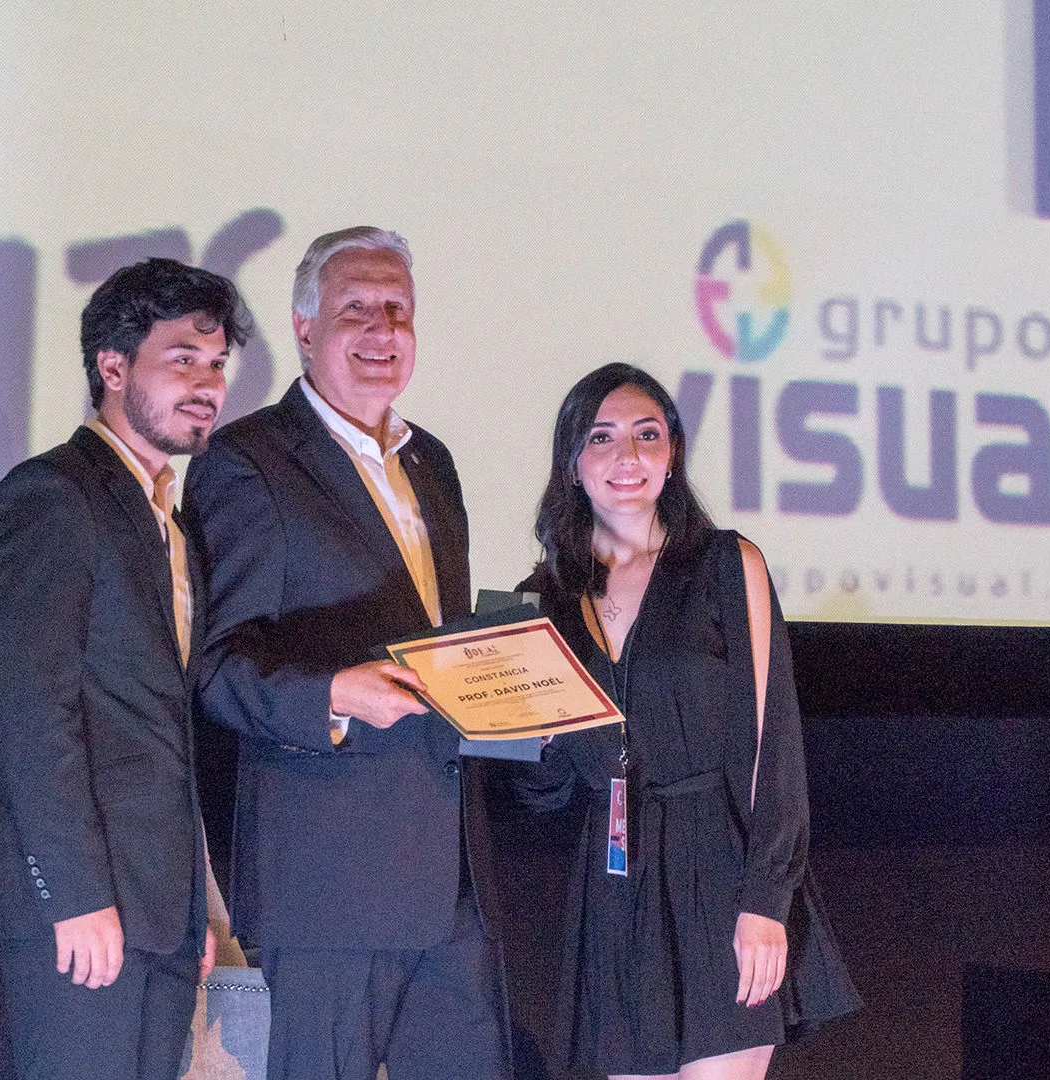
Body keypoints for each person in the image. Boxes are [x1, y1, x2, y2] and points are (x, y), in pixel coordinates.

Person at [181, 227, 509, 1080]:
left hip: (452, 884)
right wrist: (334, 694)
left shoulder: (431, 463)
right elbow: (217, 668)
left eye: (397, 309)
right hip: (325, 884)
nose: (381, 328)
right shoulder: (249, 462)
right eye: (356, 306)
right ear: (303, 326)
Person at [511, 362, 859, 1080]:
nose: (628, 456)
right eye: (602, 438)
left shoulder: (728, 563)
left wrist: (766, 901)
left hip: (722, 870)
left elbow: (773, 746)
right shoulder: (539, 600)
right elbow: (542, 793)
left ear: (672, 454)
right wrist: (530, 735)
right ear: (573, 464)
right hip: (611, 885)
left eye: (647, 434)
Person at [0, 257, 249, 1080]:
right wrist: (78, 896)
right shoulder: (54, 497)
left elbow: (156, 730)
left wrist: (184, 907)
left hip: (157, 914)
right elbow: (35, 712)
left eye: (217, 366)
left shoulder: (166, 518)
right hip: (82, 909)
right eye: (183, 360)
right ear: (113, 365)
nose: (207, 384)